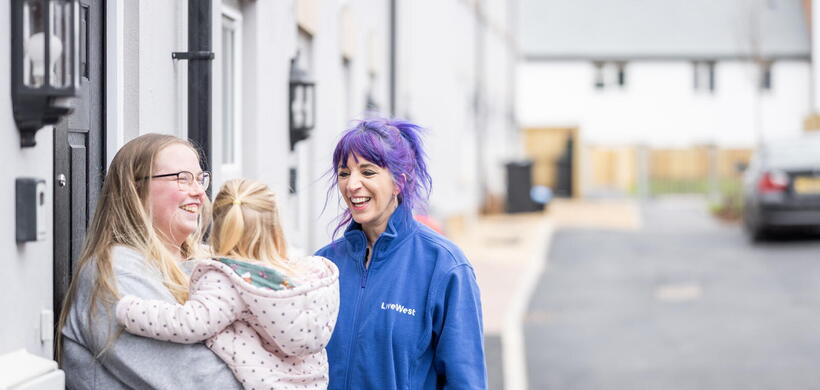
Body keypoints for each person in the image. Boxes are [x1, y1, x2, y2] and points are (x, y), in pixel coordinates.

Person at [57, 133, 242, 389]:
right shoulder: (115, 273)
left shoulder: (207, 260)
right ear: (136, 190)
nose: (200, 192)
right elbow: (202, 381)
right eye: (183, 179)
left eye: (200, 179)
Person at [115, 179, 339, 389]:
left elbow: (189, 323)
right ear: (276, 229)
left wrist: (129, 310)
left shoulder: (229, 280)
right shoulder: (303, 277)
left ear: (219, 228)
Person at [316, 118, 487, 389]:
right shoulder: (324, 266)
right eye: (344, 173)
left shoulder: (444, 266)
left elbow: (465, 381)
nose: (352, 185)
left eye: (368, 172)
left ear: (399, 182)